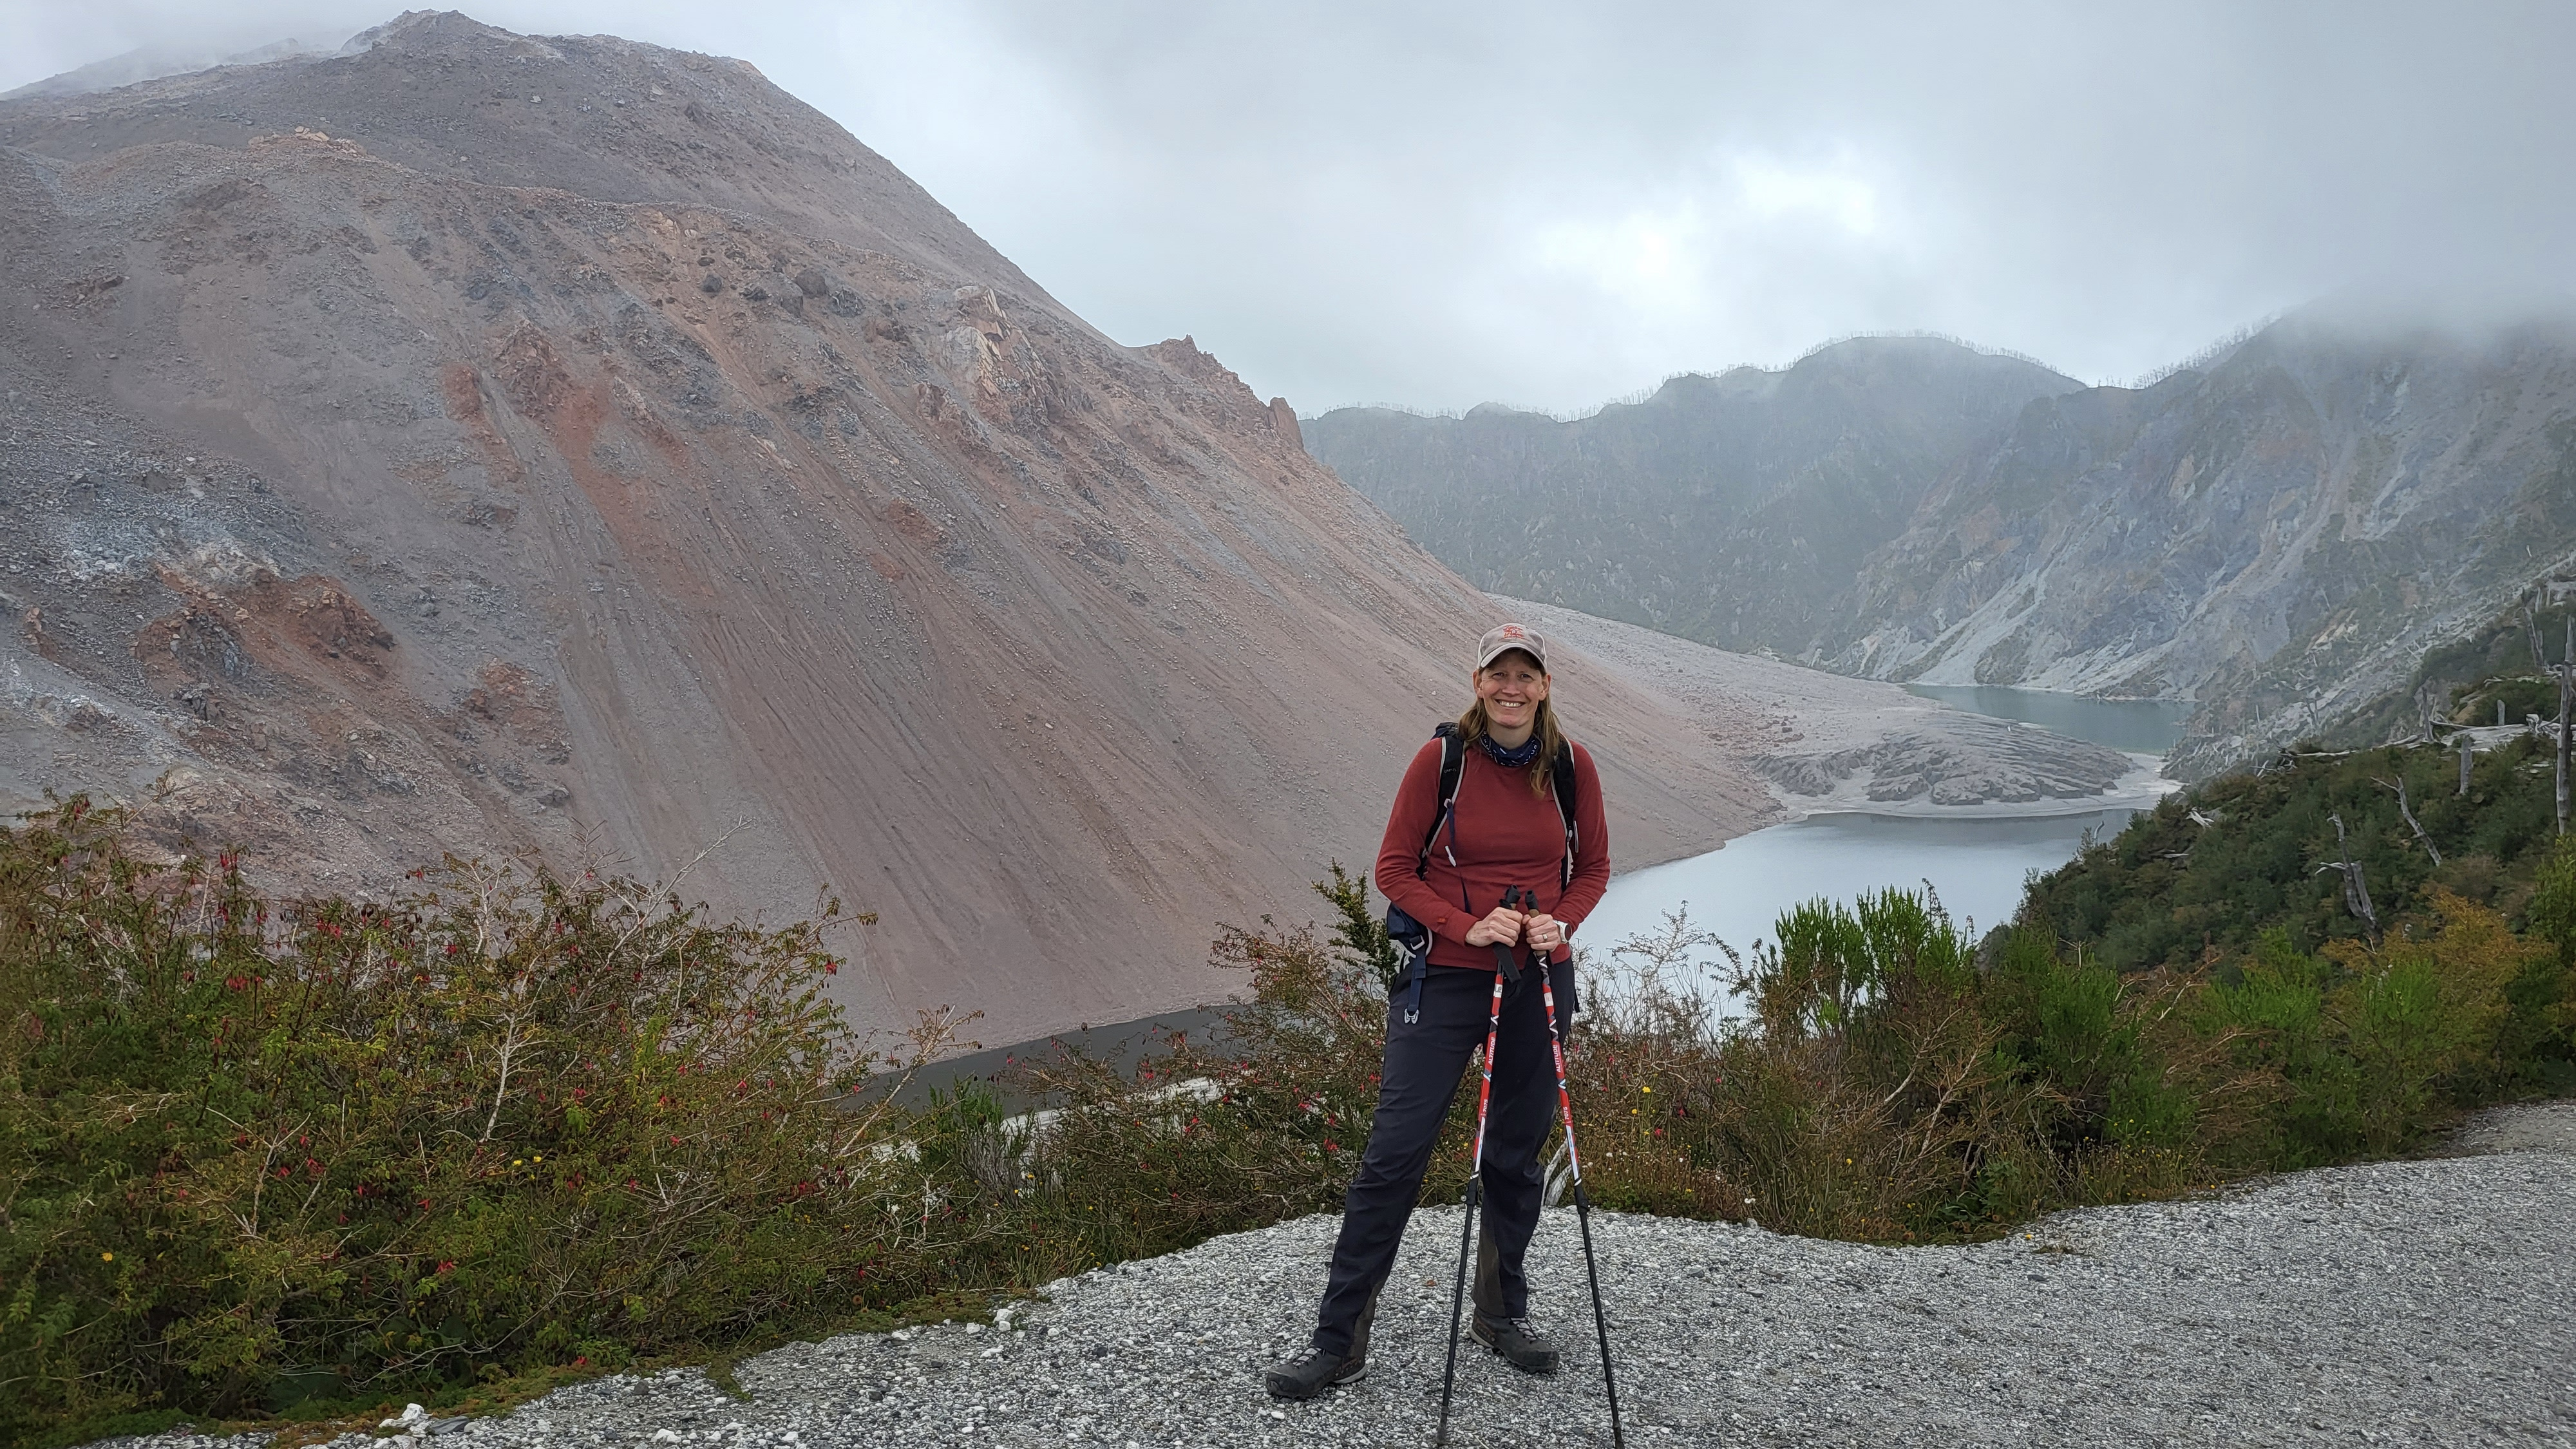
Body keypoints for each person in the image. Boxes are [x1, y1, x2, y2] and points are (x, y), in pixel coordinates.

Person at [1265, 621, 1611, 1400]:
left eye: (1526, 676)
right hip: (1449, 980)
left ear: (1545, 686)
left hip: (1540, 976)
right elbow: (1394, 868)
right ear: (1478, 679)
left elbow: (1592, 867)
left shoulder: (1570, 767)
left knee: (1515, 1158)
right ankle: (1336, 1342)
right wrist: (1464, 925)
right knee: (1394, 1153)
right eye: (1499, 675)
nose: (1511, 689)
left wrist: (1563, 921)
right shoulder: (1442, 760)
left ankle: (1499, 1315)